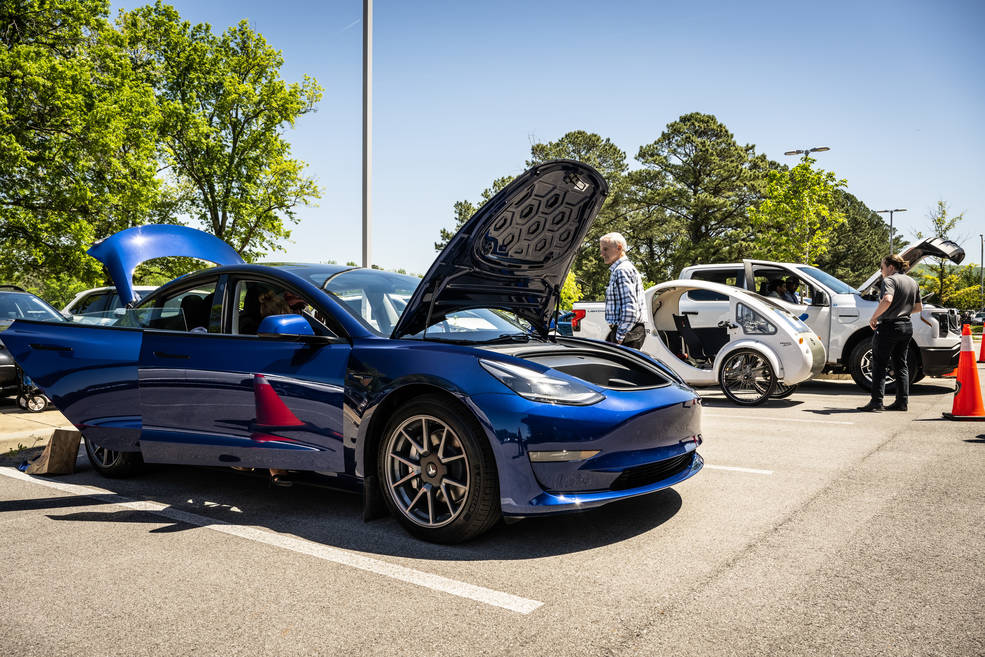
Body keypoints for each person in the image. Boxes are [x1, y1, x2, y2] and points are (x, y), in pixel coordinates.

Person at [857, 254, 925, 412]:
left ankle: (876, 403)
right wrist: (903, 310)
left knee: (879, 364)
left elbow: (887, 299)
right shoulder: (912, 282)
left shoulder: (889, 280)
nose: (881, 271)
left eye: (882, 267)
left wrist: (875, 317)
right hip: (906, 327)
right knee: (901, 365)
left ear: (891, 267)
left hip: (889, 327)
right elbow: (918, 308)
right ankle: (902, 402)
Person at [600, 232, 646, 349]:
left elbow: (630, 308)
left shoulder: (622, 270)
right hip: (629, 331)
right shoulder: (623, 269)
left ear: (619, 248)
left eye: (605, 249)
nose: (602, 254)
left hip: (627, 333)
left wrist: (619, 337)